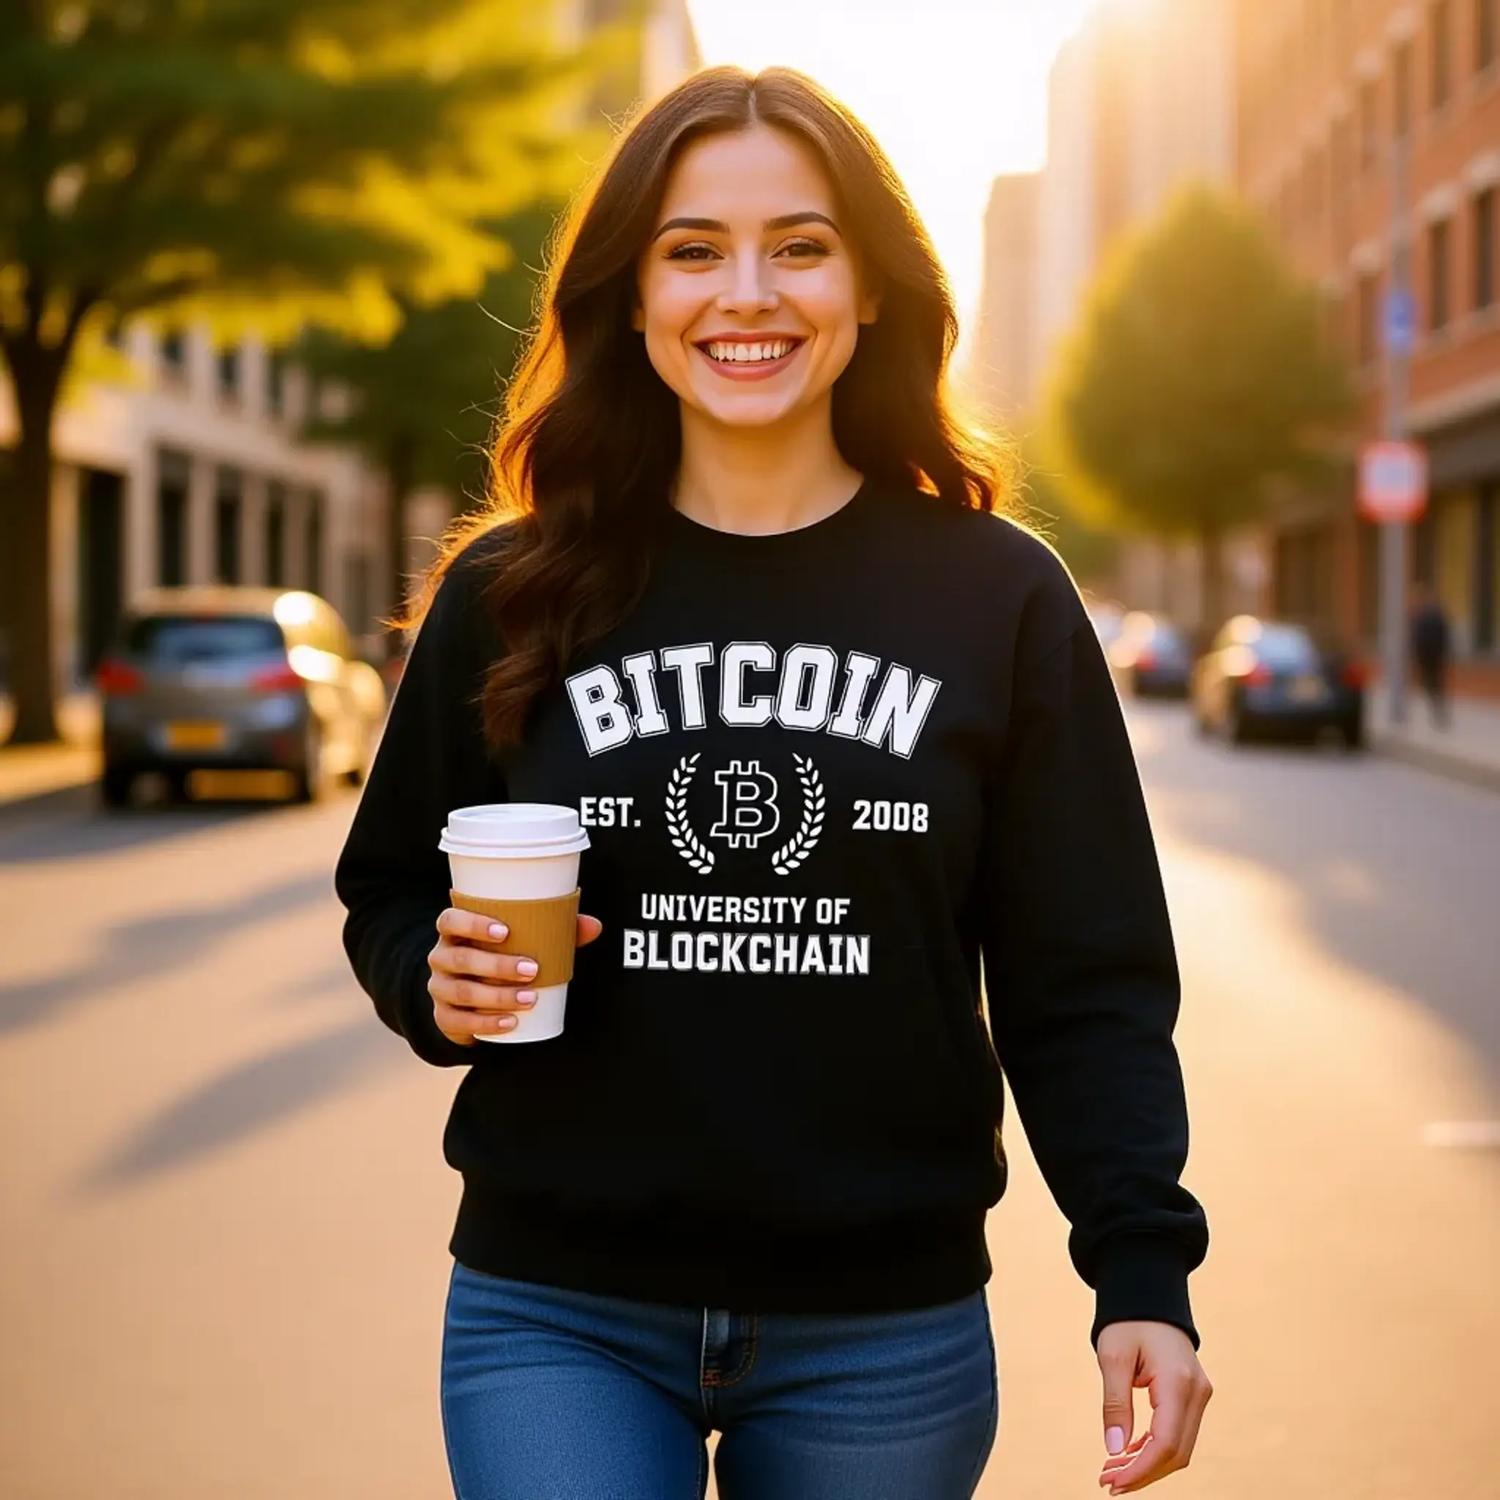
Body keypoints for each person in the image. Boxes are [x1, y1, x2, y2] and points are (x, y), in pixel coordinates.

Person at [335, 65, 1212, 1500]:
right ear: (630, 294)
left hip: (885, 1331)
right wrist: (431, 984)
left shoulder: (997, 598)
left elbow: (1086, 982)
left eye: (800, 245)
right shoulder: (511, 587)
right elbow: (391, 890)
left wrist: (1143, 1275)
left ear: (870, 289)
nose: (747, 293)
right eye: (694, 251)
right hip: (558, 1309)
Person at [1409, 580, 1452, 729]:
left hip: (1430, 657)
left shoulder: (1426, 617)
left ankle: (1438, 714)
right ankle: (1438, 714)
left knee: (1434, 686)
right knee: (1434, 686)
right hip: (1431, 657)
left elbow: (1422, 639)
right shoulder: (1427, 616)